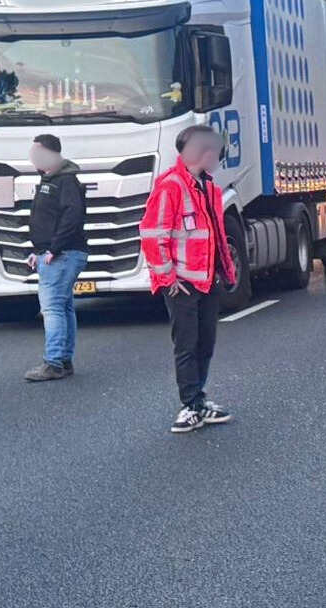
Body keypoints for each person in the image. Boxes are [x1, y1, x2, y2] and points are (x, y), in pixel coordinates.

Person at [137, 125, 236, 433]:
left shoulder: (208, 188)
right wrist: (167, 277)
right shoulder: (170, 186)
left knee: (205, 343)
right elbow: (153, 234)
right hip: (183, 282)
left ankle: (198, 400)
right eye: (217, 152)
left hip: (206, 279)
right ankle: (189, 404)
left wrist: (227, 271)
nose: (219, 158)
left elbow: (217, 235)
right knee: (187, 345)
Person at [23, 134, 85, 382]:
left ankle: (54, 362)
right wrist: (39, 250)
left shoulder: (64, 182)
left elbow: (72, 215)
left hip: (63, 254)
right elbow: (50, 220)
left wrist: (53, 248)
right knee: (64, 306)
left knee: (52, 308)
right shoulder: (52, 181)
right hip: (59, 253)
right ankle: (64, 359)